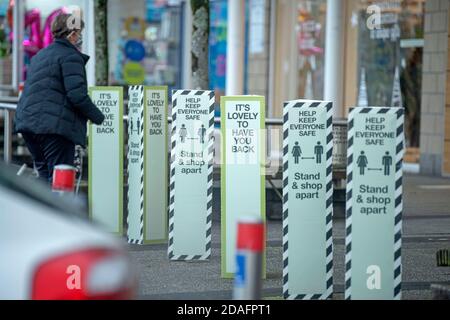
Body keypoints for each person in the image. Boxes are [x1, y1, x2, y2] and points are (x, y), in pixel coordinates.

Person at [14, 13, 104, 183]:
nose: (80, 37)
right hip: (54, 128)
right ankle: (54, 210)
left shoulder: (40, 55)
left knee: (43, 177)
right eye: (79, 32)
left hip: (29, 124)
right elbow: (76, 95)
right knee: (58, 179)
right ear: (72, 34)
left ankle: (40, 209)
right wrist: (99, 117)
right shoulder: (71, 57)